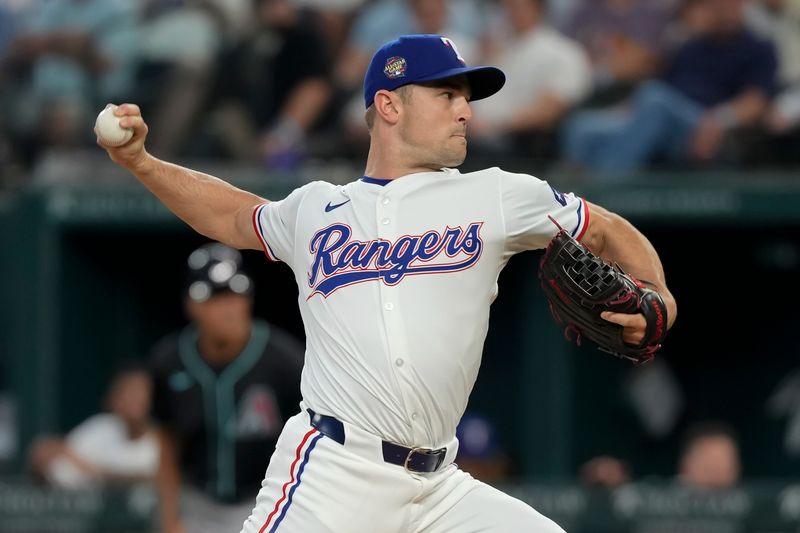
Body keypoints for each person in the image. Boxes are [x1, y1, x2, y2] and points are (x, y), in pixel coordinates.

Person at [97, 33, 677, 532]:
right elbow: (228, 215)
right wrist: (144, 164)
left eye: (466, 98)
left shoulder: (495, 194)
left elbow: (601, 227)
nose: (466, 111)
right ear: (389, 105)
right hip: (334, 472)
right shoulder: (316, 209)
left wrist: (659, 293)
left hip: (440, 488)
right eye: (447, 94)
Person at [148, 241, 305, 533]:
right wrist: (169, 518)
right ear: (192, 306)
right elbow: (166, 444)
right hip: (197, 501)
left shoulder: (285, 360)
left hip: (267, 499)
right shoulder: (169, 360)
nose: (227, 309)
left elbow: (310, 442)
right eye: (214, 299)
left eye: (234, 296)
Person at [28, 361, 158, 489]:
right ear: (113, 399)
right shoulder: (101, 428)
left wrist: (96, 472)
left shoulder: (165, 437)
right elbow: (47, 456)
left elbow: (158, 477)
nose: (135, 399)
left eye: (141, 392)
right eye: (128, 392)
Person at [677, 421, 741, 489]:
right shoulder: (670, 496)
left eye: (723, 465)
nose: (716, 474)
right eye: (708, 465)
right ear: (685, 467)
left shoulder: (747, 495)